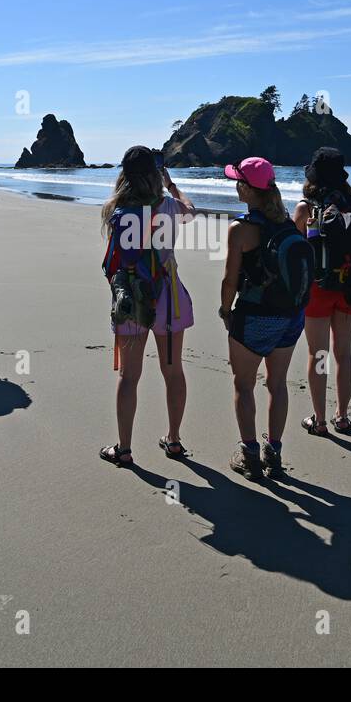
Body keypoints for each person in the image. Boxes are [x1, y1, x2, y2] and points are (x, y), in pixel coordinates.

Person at [98, 146, 195, 467]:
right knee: (173, 371)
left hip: (131, 298)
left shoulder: (116, 211)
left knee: (129, 377)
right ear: (157, 175)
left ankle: (124, 449)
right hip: (169, 298)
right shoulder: (168, 205)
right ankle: (175, 440)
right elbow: (191, 212)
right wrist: (172, 185)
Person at [219, 157, 313, 480]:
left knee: (244, 386)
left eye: (237, 181)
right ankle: (274, 452)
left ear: (246, 189)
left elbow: (230, 281)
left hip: (255, 318)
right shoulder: (288, 222)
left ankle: (250, 456)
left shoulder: (240, 230)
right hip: (290, 318)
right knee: (277, 384)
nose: (235, 185)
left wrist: (225, 310)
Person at [293, 147, 351, 436]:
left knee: (317, 354)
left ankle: (319, 421)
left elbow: (294, 250)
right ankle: (342, 417)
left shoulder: (306, 208)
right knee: (344, 353)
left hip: (318, 289)